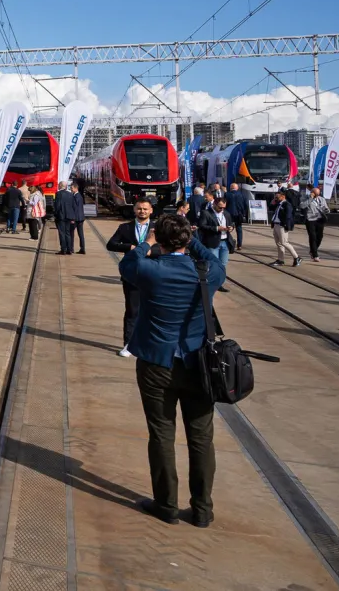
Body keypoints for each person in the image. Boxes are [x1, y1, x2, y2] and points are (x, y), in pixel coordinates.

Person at [121, 213, 226, 528]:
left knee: (162, 434)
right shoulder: (207, 274)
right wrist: (191, 239)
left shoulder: (150, 270)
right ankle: (202, 510)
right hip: (199, 365)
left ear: (161, 241)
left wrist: (147, 242)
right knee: (201, 438)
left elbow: (127, 264)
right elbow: (212, 257)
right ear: (185, 241)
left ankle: (166, 504)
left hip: (156, 362)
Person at [106, 198, 154, 357]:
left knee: (152, 311)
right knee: (132, 311)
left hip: (154, 276)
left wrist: (152, 252)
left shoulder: (158, 228)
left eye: (145, 209)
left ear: (151, 211)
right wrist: (129, 247)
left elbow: (168, 247)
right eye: (139, 209)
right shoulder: (125, 227)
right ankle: (129, 344)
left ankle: (149, 344)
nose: (142, 212)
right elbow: (110, 244)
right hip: (132, 276)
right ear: (134, 210)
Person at [197, 195, 231, 275]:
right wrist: (216, 228)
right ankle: (213, 281)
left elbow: (230, 223)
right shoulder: (206, 213)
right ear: (214, 204)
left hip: (225, 241)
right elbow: (202, 226)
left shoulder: (226, 213)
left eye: (223, 207)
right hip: (213, 242)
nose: (222, 209)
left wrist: (231, 227)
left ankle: (220, 281)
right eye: (220, 207)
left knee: (223, 264)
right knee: (213, 264)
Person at [300, 184, 330, 262]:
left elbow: (325, 207)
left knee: (319, 237)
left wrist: (327, 210)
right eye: (315, 194)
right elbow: (302, 206)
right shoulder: (305, 198)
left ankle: (313, 250)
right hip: (310, 220)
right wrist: (310, 198)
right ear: (312, 192)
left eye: (318, 194)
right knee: (312, 236)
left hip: (320, 219)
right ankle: (315, 255)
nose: (317, 196)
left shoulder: (321, 199)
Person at [269, 190, 299, 267]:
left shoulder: (287, 204)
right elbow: (271, 208)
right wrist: (273, 201)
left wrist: (285, 224)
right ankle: (280, 260)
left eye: (277, 197)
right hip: (276, 225)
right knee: (279, 243)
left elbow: (288, 215)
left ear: (283, 197)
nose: (276, 198)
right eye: (275, 197)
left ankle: (296, 257)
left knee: (284, 242)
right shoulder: (278, 204)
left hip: (282, 226)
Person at [224, 182, 248, 251]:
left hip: (229, 214)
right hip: (239, 214)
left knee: (227, 229)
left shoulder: (227, 194)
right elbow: (245, 205)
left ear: (231, 188)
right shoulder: (242, 195)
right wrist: (244, 214)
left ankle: (229, 243)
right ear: (237, 188)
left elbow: (224, 204)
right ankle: (239, 245)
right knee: (239, 229)